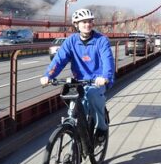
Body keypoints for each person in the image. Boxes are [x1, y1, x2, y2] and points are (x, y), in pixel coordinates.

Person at [40, 8, 114, 142]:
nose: (87, 24)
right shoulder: (71, 41)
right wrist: (48, 76)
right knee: (73, 107)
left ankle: (102, 127)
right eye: (83, 22)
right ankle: (77, 137)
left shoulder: (101, 40)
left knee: (92, 94)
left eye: (90, 21)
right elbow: (59, 60)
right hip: (79, 81)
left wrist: (105, 77)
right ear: (76, 24)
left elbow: (107, 61)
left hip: (97, 80)